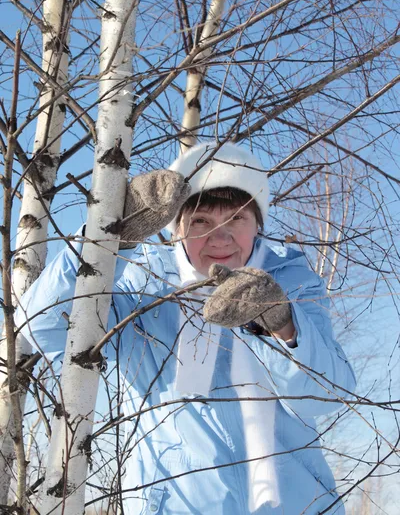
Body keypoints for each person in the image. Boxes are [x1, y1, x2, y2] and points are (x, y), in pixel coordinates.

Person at [16, 142, 356, 515]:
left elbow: (327, 394)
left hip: (299, 505)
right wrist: (109, 239)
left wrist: (279, 321)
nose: (220, 237)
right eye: (201, 221)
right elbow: (44, 323)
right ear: (177, 226)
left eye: (236, 219)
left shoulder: (293, 285)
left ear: (258, 223)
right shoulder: (141, 288)